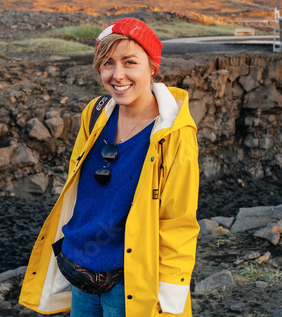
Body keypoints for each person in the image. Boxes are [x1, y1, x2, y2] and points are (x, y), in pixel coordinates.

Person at [18, 18, 200, 316]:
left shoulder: (174, 135)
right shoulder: (96, 113)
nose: (118, 75)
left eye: (130, 62)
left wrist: (170, 299)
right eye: (107, 63)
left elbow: (178, 222)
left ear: (152, 67)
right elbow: (79, 190)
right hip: (81, 271)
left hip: (130, 280)